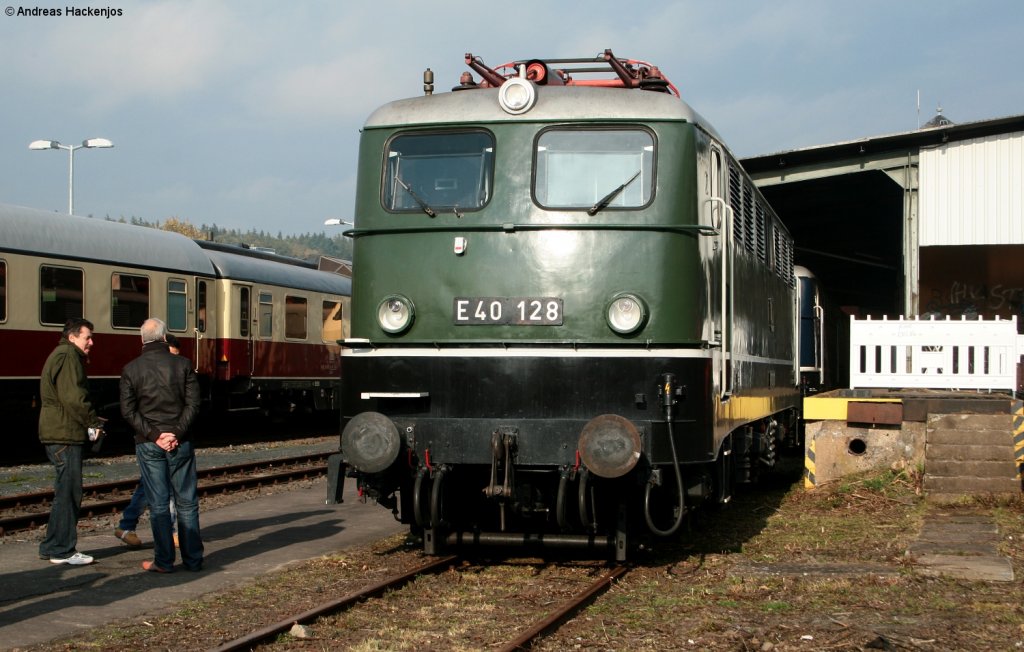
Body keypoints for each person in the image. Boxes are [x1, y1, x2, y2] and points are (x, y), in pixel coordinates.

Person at [120, 319, 202, 572]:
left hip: (148, 444)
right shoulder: (184, 365)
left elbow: (128, 411)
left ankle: (164, 561)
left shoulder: (131, 369)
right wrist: (175, 432)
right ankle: (193, 560)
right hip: (181, 442)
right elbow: (193, 405)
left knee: (158, 504)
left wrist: (155, 435)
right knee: (186, 502)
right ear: (165, 337)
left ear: (141, 339)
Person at [38, 318, 106, 565]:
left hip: (59, 431)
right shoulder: (68, 357)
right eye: (87, 337)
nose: (91, 342)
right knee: (69, 492)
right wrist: (93, 423)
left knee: (63, 492)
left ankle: (52, 545)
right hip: (65, 433)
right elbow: (74, 397)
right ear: (72, 337)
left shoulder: (62, 354)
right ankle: (62, 550)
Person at [114, 334, 182, 549]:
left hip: (155, 437)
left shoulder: (143, 370)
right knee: (166, 487)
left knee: (150, 484)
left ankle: (127, 526)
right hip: (156, 438)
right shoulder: (149, 373)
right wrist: (162, 435)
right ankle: (171, 532)